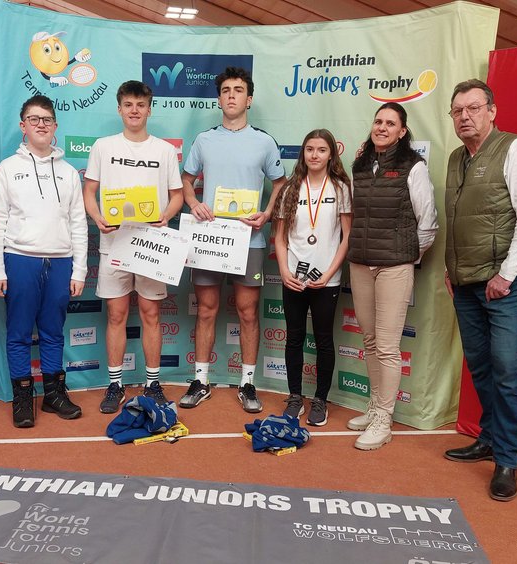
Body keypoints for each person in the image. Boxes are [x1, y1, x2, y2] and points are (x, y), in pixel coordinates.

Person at [442, 79, 517, 502]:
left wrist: (506, 273)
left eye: (473, 108)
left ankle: (507, 459)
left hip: (506, 283)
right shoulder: (456, 158)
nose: (464, 117)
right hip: (465, 282)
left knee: (506, 370)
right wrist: (451, 269)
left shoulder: (513, 147)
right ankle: (489, 437)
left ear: (491, 111)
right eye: (457, 111)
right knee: (481, 367)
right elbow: (460, 218)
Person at [179, 66, 286, 413]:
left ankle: (247, 383)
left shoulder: (264, 142)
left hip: (249, 240)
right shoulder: (204, 140)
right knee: (206, 309)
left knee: (248, 312)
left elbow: (280, 184)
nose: (231, 96)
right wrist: (193, 203)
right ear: (218, 99)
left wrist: (267, 213)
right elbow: (186, 179)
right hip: (210, 240)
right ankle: (201, 381)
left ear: (249, 99)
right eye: (225, 90)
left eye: (238, 90)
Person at [83, 80, 183, 414]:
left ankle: (153, 383)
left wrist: (166, 216)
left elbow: (177, 196)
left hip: (151, 245)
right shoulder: (103, 146)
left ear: (149, 110)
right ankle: (115, 384)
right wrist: (98, 217)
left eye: (140, 105)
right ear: (119, 109)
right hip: (114, 243)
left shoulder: (164, 151)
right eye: (128, 105)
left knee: (151, 314)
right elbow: (89, 192)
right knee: (116, 314)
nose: (134, 111)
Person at [0, 95, 88, 428]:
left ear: (55, 126)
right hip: (19, 260)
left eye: (47, 119)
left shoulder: (69, 173)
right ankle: (22, 399)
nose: (41, 124)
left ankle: (54, 394)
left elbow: (78, 223)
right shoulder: (7, 169)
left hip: (60, 262)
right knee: (18, 332)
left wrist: (79, 269)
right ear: (23, 125)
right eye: (34, 119)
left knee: (53, 332)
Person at [345, 102, 439, 451]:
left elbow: (427, 222)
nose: (382, 127)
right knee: (370, 341)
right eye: (378, 121)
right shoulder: (359, 164)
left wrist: (408, 256)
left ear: (402, 131)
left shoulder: (413, 166)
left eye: (390, 123)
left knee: (386, 346)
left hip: (394, 266)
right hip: (360, 263)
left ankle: (384, 419)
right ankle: (375, 407)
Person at [274, 129, 352, 427]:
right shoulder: (291, 188)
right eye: (309, 149)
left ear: (331, 154)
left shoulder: (340, 188)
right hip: (293, 278)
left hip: (325, 281)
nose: (315, 155)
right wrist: (284, 271)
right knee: (294, 338)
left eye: (321, 150)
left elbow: (347, 237)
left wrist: (330, 274)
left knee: (323, 340)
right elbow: (280, 237)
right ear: (303, 154)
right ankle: (295, 396)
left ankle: (320, 400)